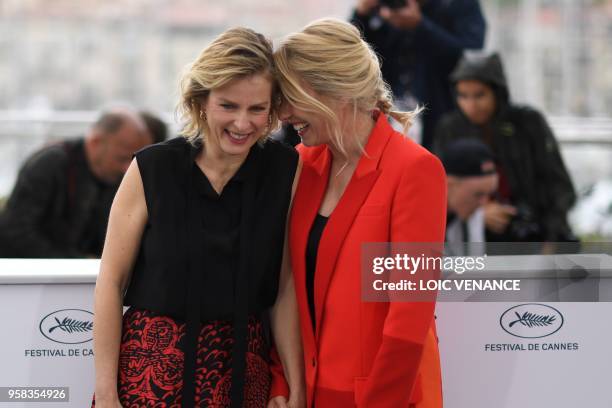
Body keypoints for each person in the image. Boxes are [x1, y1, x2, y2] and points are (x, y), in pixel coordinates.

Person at [93, 28, 304, 408]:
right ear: (201, 101)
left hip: (245, 369)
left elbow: (284, 287)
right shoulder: (152, 167)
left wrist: (293, 381)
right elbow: (111, 281)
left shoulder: (285, 169)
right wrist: (107, 394)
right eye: (229, 106)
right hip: (151, 369)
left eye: (257, 109)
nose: (243, 124)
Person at [274, 19, 446, 407]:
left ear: (332, 89)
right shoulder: (300, 165)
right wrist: (282, 383)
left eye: (290, 97)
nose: (282, 113)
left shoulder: (414, 169)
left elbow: (409, 322)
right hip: (309, 394)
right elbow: (285, 291)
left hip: (383, 397)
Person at [434, 52, 577, 244]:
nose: (471, 105)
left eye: (480, 95)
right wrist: (476, 214)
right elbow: (438, 191)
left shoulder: (527, 124)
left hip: (534, 236)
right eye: (463, 96)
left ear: (497, 92)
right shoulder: (450, 128)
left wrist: (550, 240)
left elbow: (559, 187)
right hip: (469, 241)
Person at [0, 108, 152, 258]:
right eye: (122, 158)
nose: (127, 169)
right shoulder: (50, 163)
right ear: (95, 142)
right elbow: (16, 231)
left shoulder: (113, 174)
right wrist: (76, 261)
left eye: (132, 162)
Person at [350, 0, 486, 150]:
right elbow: (353, 58)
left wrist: (420, 26)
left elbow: (471, 57)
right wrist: (361, 14)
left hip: (442, 117)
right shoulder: (384, 6)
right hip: (386, 115)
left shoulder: (459, 5)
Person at [440, 138, 498, 255]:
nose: (484, 203)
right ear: (449, 185)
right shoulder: (415, 218)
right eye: (478, 194)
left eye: (490, 194)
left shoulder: (475, 215)